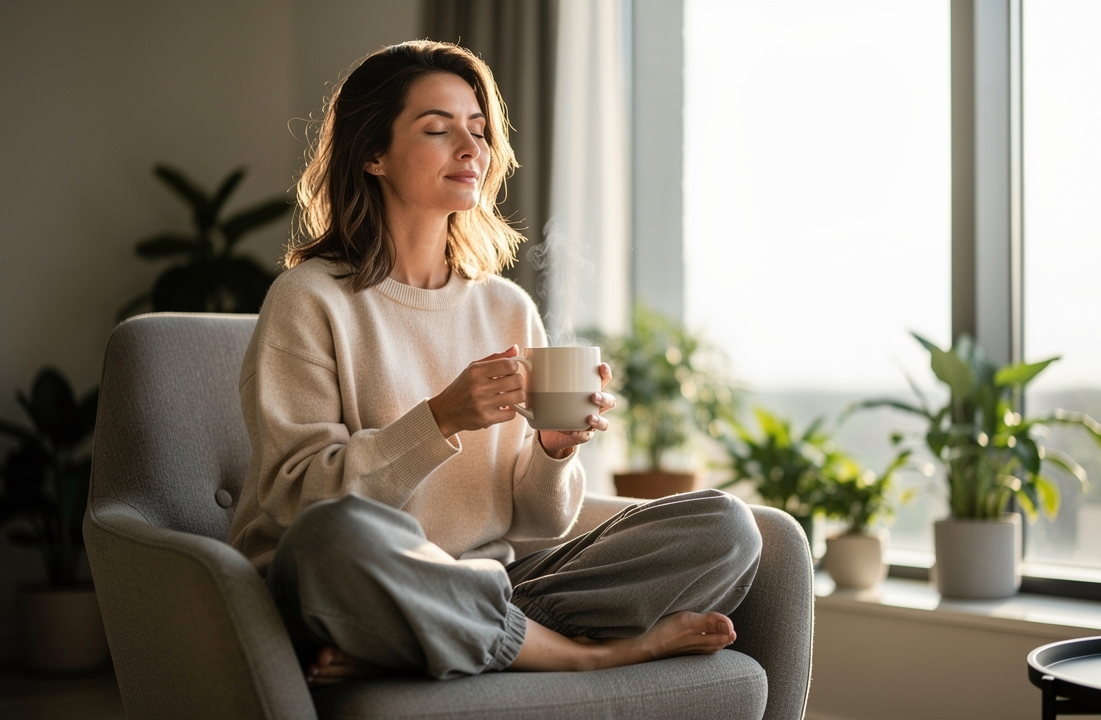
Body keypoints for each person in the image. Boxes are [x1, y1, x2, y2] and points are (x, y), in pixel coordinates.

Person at [225, 40, 762, 685]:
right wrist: (442, 418)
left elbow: (536, 523)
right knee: (330, 539)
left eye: (479, 130)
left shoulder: (507, 307)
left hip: (492, 583)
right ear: (373, 153)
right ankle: (585, 652)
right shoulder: (310, 299)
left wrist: (555, 451)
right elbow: (297, 504)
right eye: (437, 129)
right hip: (351, 574)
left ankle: (433, 635)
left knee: (726, 528)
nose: (471, 148)